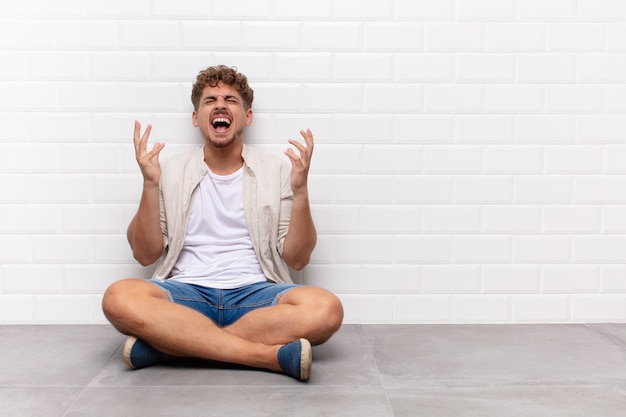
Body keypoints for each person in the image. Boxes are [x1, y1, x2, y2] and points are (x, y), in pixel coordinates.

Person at [102, 65, 343, 381]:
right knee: (117, 297)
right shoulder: (169, 170)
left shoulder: (278, 171)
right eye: (209, 100)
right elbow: (145, 255)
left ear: (247, 116)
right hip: (186, 293)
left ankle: (172, 345)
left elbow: (297, 259)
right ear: (195, 118)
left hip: (257, 295)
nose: (220, 105)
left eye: (231, 100)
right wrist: (149, 184)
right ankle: (264, 356)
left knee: (327, 309)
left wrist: (301, 190)